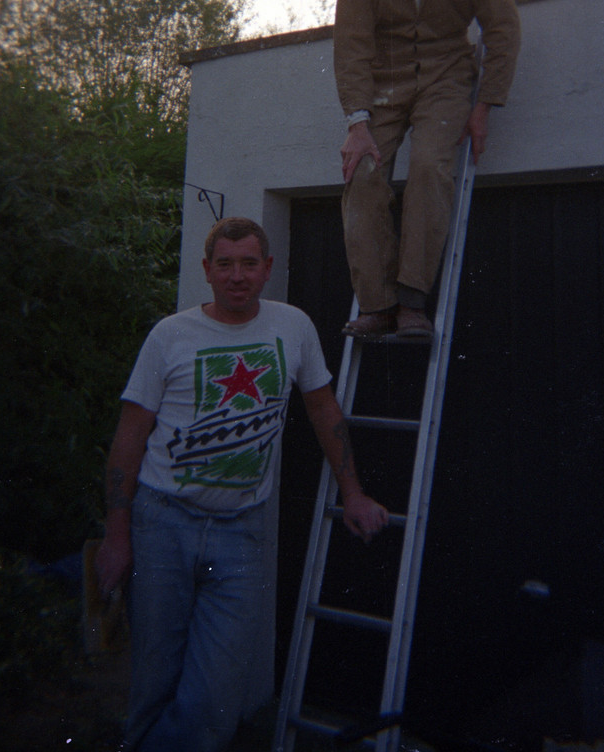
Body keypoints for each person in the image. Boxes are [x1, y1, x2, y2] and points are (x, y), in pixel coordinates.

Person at [95, 216, 389, 752]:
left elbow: (323, 409)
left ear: (267, 268)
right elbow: (130, 435)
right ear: (207, 269)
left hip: (241, 532)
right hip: (162, 524)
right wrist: (117, 535)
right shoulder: (170, 335)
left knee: (215, 699)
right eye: (225, 264)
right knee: (153, 681)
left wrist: (353, 492)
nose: (237, 276)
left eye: (249, 263)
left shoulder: (293, 326)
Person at [335, 0, 521, 339]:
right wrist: (357, 123)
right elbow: (352, 46)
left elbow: (503, 27)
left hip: (446, 79)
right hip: (384, 83)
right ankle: (378, 305)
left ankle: (412, 303)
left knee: (428, 168)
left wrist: (485, 105)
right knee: (362, 175)